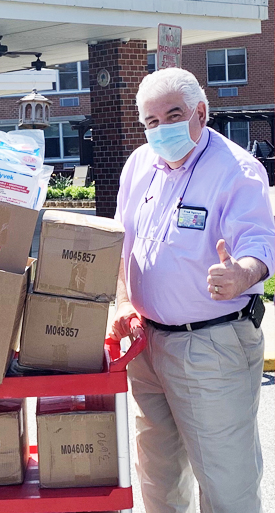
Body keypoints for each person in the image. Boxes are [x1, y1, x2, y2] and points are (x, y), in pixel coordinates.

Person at [110, 68, 274, 513]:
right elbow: (121, 244)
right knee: (158, 478)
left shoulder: (237, 170)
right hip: (146, 345)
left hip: (209, 345)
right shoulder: (138, 164)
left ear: (200, 113)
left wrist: (241, 274)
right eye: (151, 121)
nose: (161, 129)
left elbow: (260, 244)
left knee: (226, 482)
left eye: (173, 115)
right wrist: (124, 299)